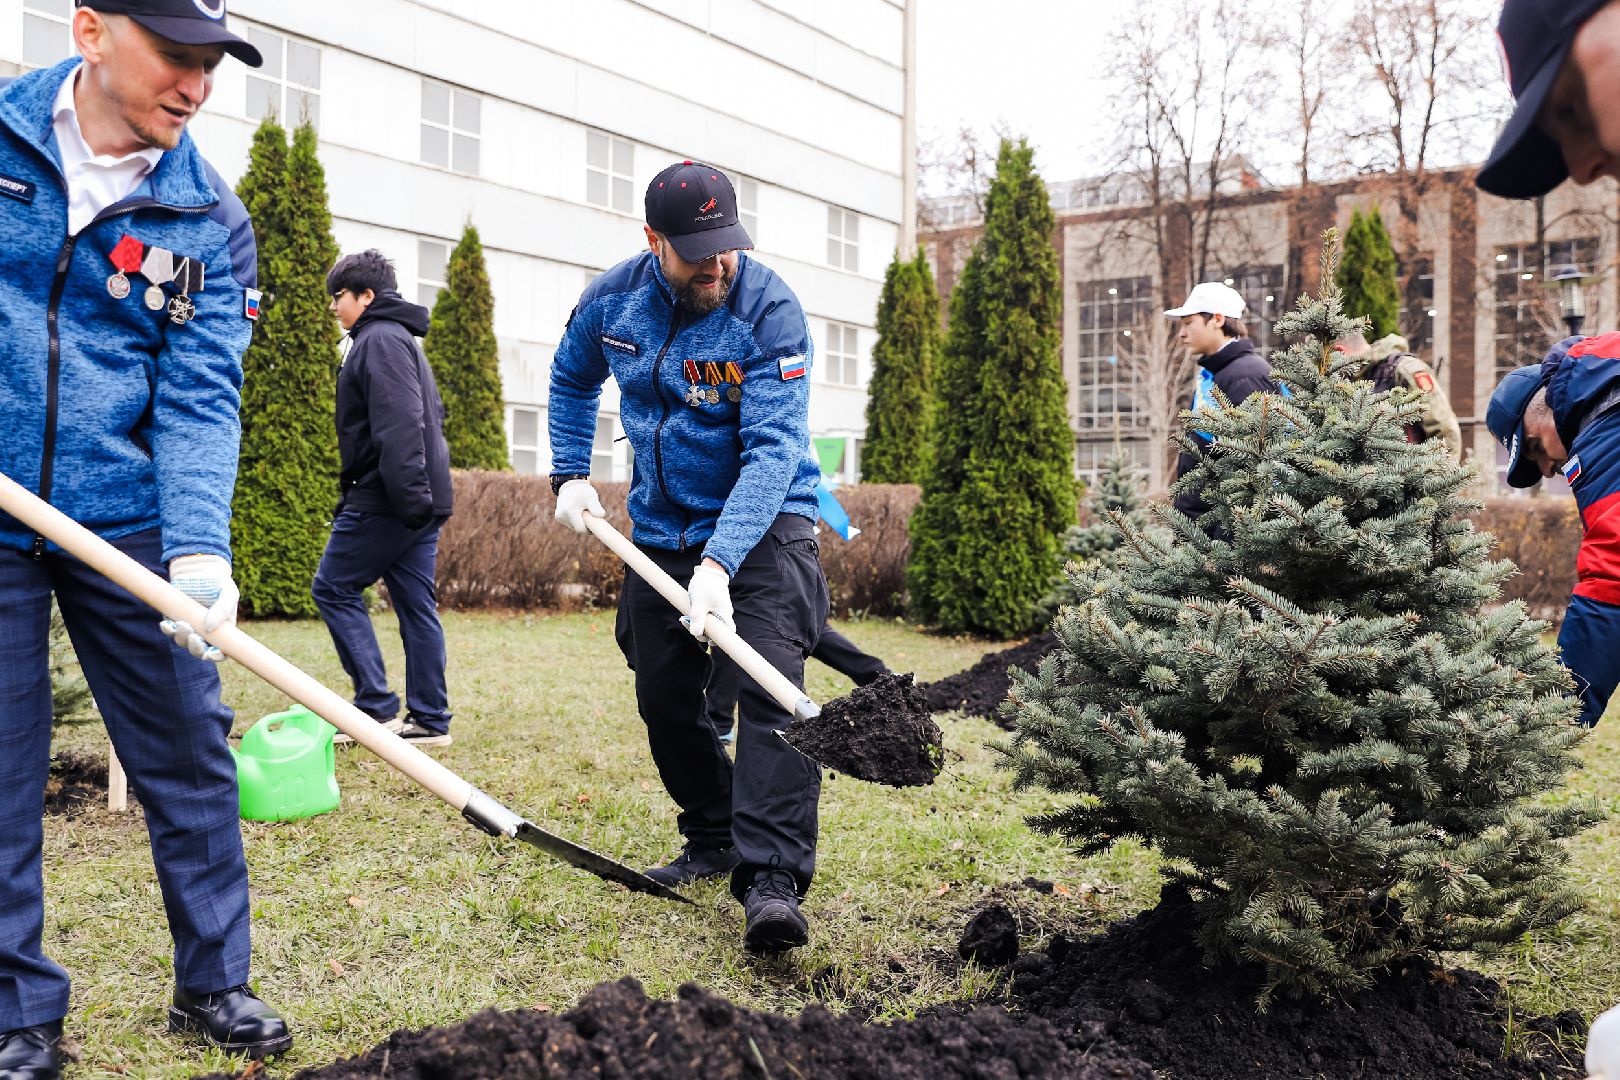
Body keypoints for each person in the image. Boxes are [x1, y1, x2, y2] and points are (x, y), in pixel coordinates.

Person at [0, 3, 290, 1074]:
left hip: (125, 518)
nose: (196, 85)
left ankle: (216, 983)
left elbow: (202, 397)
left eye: (210, 64)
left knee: (187, 753)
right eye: (176, 56)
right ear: (89, 31)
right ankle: (17, 1011)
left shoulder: (206, 214)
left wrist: (200, 551)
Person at [549, 160, 827, 954]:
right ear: (653, 241)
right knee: (663, 689)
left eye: (727, 247)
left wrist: (720, 565)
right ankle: (713, 835)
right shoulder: (614, 299)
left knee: (771, 691)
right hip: (662, 530)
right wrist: (570, 470)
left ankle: (771, 880)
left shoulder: (768, 308)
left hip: (768, 527)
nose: (716, 265)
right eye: (697, 251)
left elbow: (773, 453)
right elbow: (571, 379)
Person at [1477, 0, 1620, 731]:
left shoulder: (1598, 421)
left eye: (1569, 108)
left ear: (1541, 414)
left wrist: (1562, 710)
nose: (1555, 466)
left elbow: (1614, 561)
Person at [311, 250, 454, 747]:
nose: (333, 307)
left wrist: (408, 498)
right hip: (412, 497)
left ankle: (375, 708)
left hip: (391, 499)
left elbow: (401, 424)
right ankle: (429, 720)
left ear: (366, 297)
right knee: (416, 606)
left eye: (339, 297)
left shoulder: (378, 340)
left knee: (332, 587)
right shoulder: (397, 339)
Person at [1485, 335, 1620, 728]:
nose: (1548, 468)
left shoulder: (1605, 436)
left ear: (1541, 412)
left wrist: (1555, 714)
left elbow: (1612, 576)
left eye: (1533, 448)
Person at [1164, 282, 1276, 527]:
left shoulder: (1245, 376)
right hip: (1204, 537)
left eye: (1188, 323)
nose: (1181, 334)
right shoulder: (1215, 374)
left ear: (1216, 319)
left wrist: (1221, 542)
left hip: (1224, 543)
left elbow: (1257, 471)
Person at [1333, 330, 1463, 460]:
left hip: (1411, 474)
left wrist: (1437, 477)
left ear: (1340, 352)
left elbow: (1444, 431)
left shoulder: (1405, 369)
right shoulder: (1347, 383)